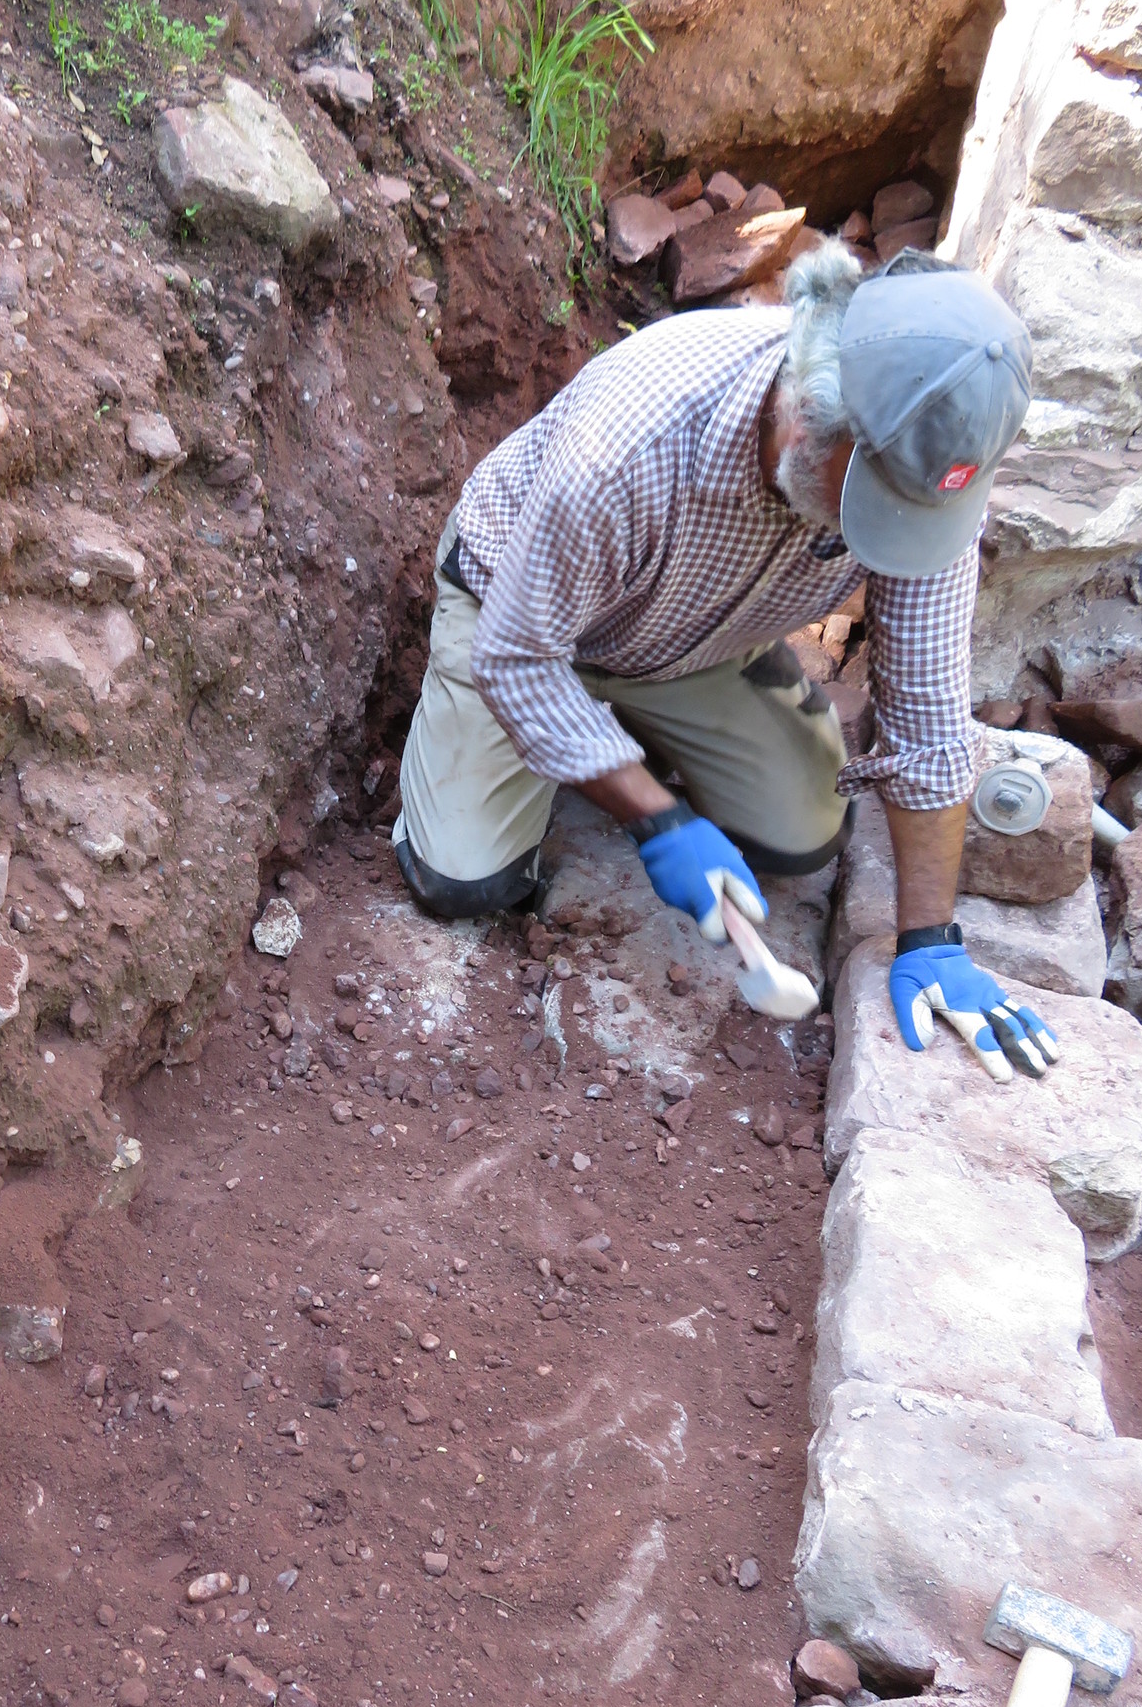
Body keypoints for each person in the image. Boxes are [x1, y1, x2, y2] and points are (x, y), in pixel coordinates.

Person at [393, 242, 1059, 1085]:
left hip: (692, 643)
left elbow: (927, 712)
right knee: (460, 880)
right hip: (518, 613)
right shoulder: (633, 441)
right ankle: (581, 746)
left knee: (805, 835)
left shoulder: (925, 484)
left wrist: (932, 938)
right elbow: (520, 655)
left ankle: (650, 717)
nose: (887, 530)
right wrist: (658, 819)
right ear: (805, 415)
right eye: (869, 503)